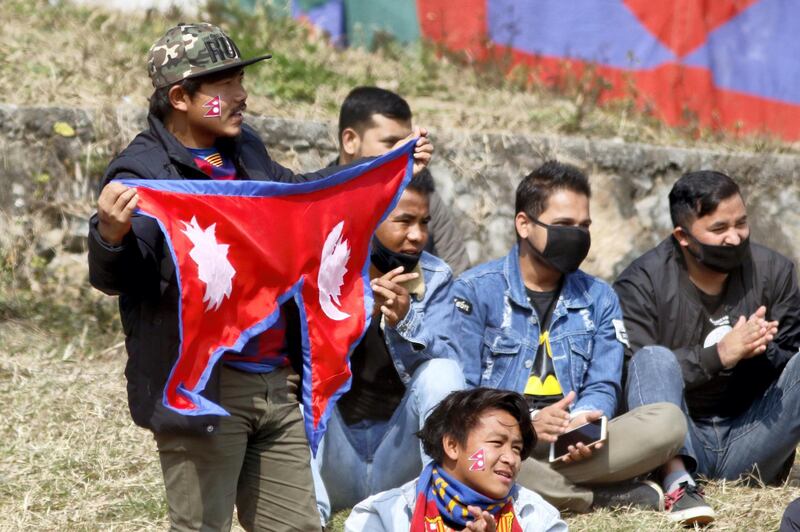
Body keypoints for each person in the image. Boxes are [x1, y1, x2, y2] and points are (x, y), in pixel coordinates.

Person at [87, 23, 432, 531]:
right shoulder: (144, 174)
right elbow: (123, 277)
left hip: (275, 384)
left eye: (240, 80)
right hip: (204, 391)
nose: (240, 94)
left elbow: (299, 199)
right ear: (181, 96)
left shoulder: (243, 151)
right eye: (224, 84)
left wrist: (378, 167)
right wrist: (110, 236)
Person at [444, 161, 687, 516]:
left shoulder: (600, 297)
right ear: (524, 224)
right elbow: (462, 393)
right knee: (477, 459)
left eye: (583, 226)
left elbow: (604, 384)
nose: (576, 236)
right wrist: (524, 423)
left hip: (572, 443)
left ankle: (543, 486)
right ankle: (595, 497)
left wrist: (587, 421)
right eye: (563, 226)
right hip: (508, 441)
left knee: (669, 422)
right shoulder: (476, 291)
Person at [616, 170, 800, 525]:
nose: (735, 237)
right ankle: (678, 484)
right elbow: (632, 375)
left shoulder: (775, 271)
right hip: (681, 439)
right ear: (683, 236)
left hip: (754, 437)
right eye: (719, 230)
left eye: (741, 223)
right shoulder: (643, 282)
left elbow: (790, 367)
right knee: (650, 358)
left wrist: (762, 349)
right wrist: (720, 355)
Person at [313, 169, 466, 517]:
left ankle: (438, 511)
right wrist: (359, 311)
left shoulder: (437, 277)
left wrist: (406, 320)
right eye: (404, 221)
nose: (417, 236)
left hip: (402, 462)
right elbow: (307, 356)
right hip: (335, 457)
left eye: (424, 222)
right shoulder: (327, 270)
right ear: (370, 216)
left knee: (442, 371)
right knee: (297, 383)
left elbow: (455, 370)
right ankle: (309, 520)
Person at [344, 388, 567, 532]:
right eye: (496, 443)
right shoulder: (380, 517)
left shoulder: (538, 519)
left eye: (517, 448)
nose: (511, 458)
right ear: (452, 445)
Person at [335, 85, 471, 275]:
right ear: (350, 141)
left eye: (408, 143)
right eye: (391, 143)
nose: (403, 152)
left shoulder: (420, 197)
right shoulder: (314, 201)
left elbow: (459, 274)